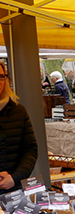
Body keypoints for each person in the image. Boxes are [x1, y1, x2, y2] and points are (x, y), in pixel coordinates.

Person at [0, 62, 39, 191]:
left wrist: (15, 178)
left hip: (13, 190)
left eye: (1, 76)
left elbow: (30, 149)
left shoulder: (18, 111)